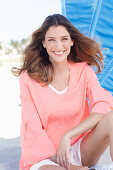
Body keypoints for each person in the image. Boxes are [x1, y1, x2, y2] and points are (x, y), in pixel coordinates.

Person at [12, 14, 113, 170]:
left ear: (72, 41)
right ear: (43, 43)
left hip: (78, 148)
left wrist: (68, 136)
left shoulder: (83, 71)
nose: (58, 46)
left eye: (64, 39)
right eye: (52, 40)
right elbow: (34, 133)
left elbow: (103, 106)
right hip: (44, 156)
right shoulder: (28, 79)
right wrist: (71, 167)